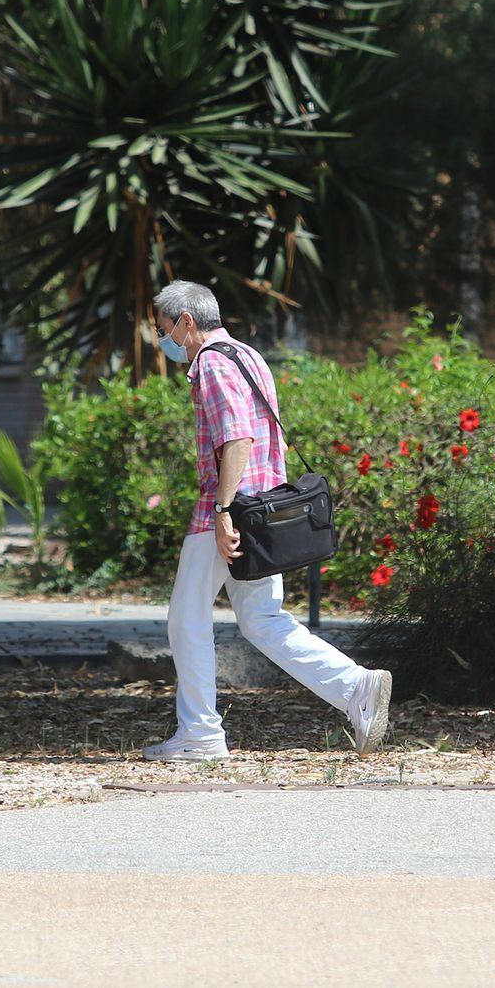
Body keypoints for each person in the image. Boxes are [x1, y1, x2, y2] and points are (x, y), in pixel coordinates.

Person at [143, 281, 393, 763]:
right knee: (262, 619)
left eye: (163, 328)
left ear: (186, 322)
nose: (162, 339)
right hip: (261, 508)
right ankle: (355, 686)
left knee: (187, 618)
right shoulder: (247, 354)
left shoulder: (211, 363)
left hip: (228, 510)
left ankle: (200, 734)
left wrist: (222, 512)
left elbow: (237, 439)